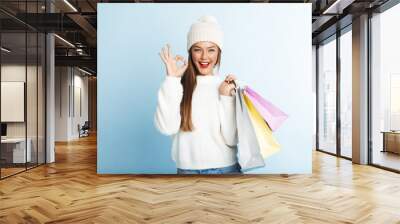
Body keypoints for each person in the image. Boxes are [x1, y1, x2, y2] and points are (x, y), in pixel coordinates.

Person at [154, 15, 240, 174]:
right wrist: (172, 79)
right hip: (187, 172)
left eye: (211, 50)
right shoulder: (177, 86)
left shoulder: (225, 87)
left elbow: (232, 139)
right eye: (197, 49)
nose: (204, 57)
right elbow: (167, 128)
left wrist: (226, 98)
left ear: (219, 52)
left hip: (225, 170)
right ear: (190, 52)